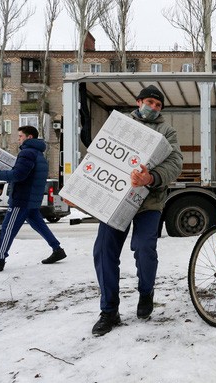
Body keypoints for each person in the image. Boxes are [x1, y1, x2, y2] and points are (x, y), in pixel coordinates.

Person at [91, 85, 183, 336]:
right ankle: (109, 310)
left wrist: (151, 178)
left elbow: (175, 163)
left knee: (144, 248)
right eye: (150, 102)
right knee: (103, 250)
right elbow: (100, 154)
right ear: (139, 101)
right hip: (115, 199)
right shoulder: (119, 125)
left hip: (149, 201)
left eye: (158, 105)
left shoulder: (167, 131)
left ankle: (146, 292)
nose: (153, 107)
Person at [0, 126, 67, 272]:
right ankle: (57, 249)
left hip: (22, 198)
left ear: (29, 137)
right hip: (32, 198)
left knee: (7, 228)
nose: (18, 139)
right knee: (39, 225)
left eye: (20, 136)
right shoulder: (39, 154)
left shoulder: (27, 153)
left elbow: (18, 175)